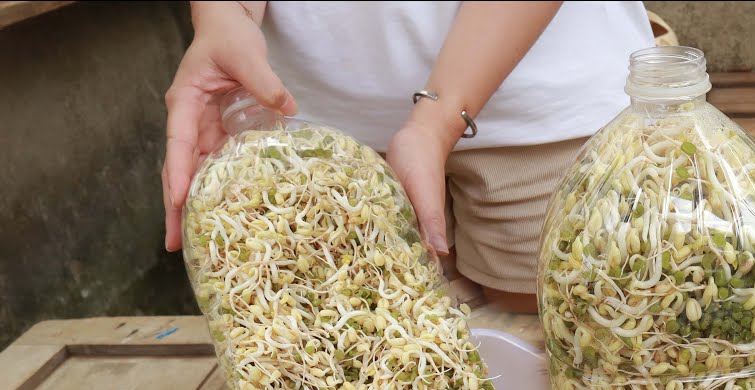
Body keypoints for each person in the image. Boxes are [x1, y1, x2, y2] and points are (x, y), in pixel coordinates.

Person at [162, 1, 655, 313]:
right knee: (369, 338)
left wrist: (437, 122)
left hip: (540, 104)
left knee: (552, 311)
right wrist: (224, 15)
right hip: (313, 124)